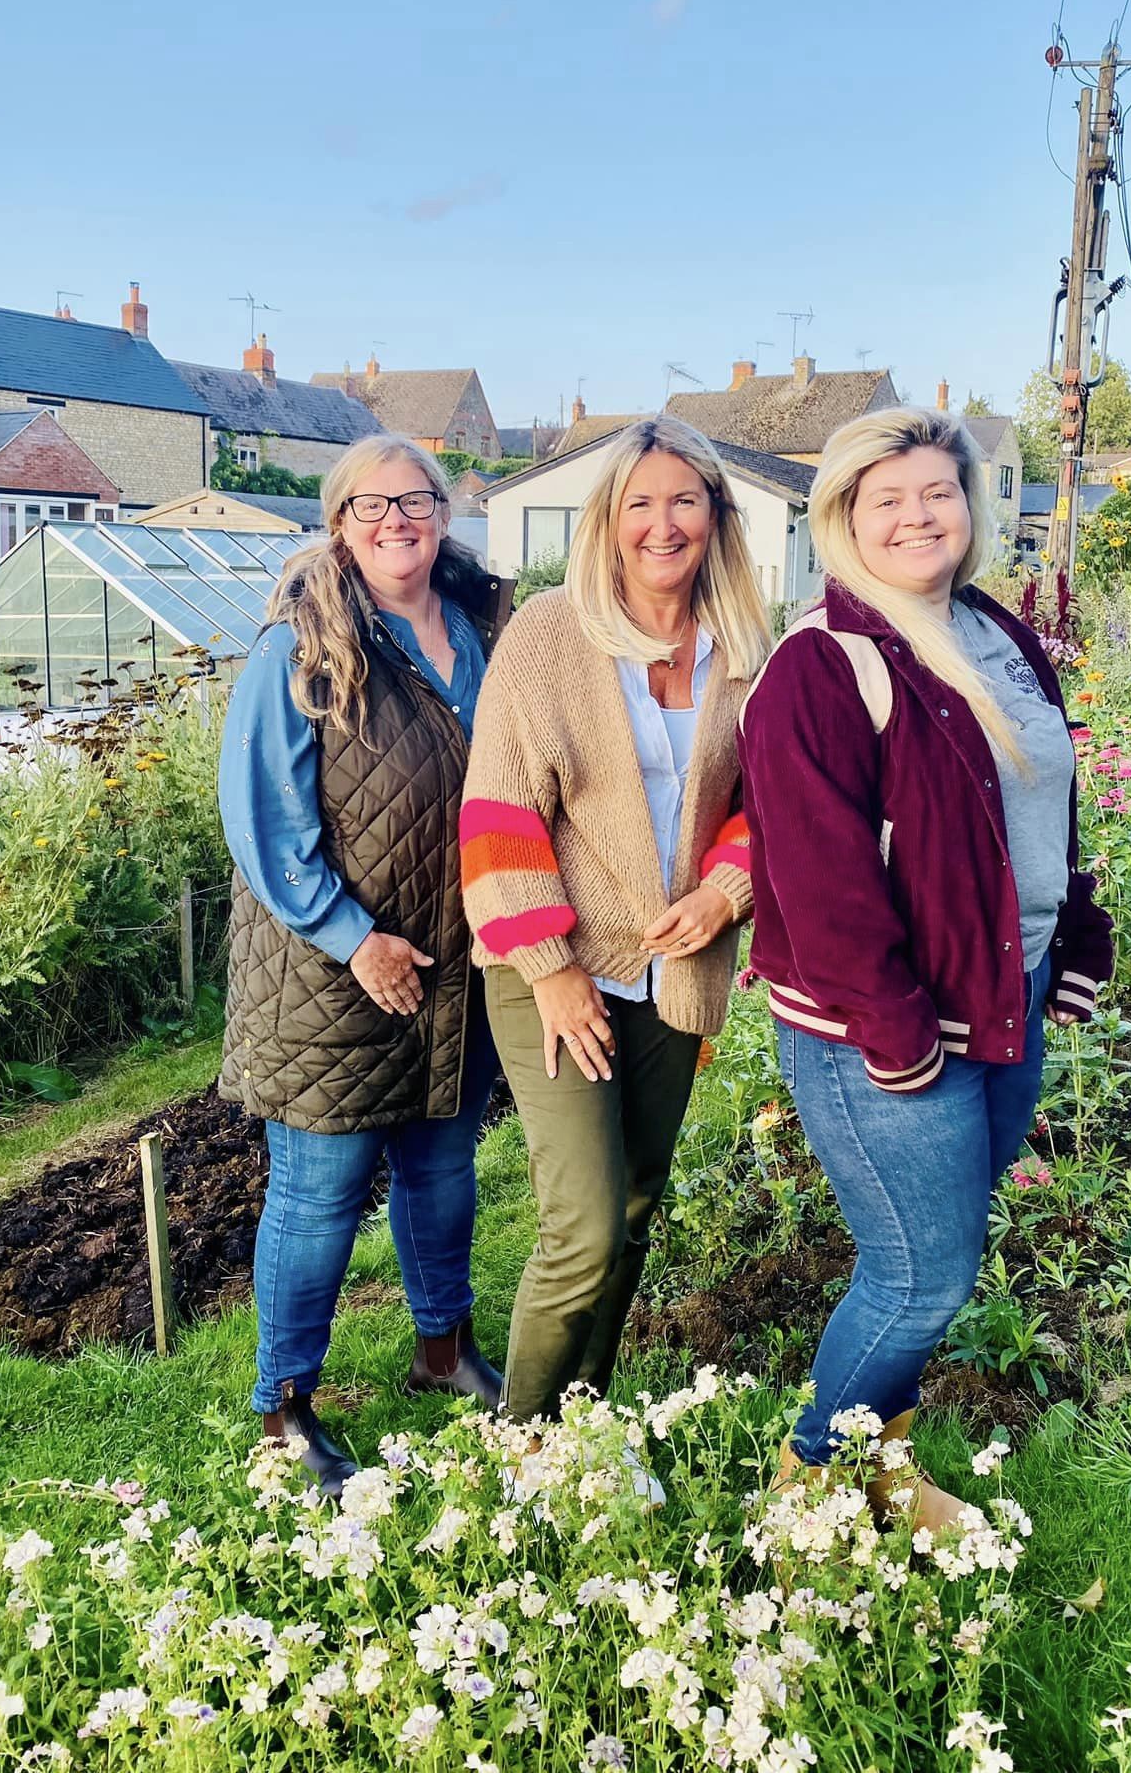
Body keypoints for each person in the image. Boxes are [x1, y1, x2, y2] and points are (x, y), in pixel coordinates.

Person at [738, 405, 1114, 1524]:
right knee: (920, 1274)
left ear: (972, 504)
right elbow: (819, 876)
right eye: (885, 498)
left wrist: (1077, 925)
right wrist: (894, 1028)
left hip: (1006, 992)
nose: (916, 515)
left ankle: (882, 1464)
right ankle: (808, 1489)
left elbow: (1040, 800)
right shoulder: (823, 665)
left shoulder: (994, 629)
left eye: (937, 492)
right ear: (845, 516)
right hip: (889, 1029)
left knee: (939, 1252)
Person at [459, 417, 771, 1424]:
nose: (661, 523)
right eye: (639, 501)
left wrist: (725, 891)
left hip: (674, 966)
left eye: (684, 498)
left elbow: (766, 804)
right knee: (585, 1225)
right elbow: (499, 809)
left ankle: (582, 1428)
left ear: (716, 514)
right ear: (609, 518)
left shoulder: (748, 647)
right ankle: (517, 1446)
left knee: (636, 1210)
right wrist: (551, 967)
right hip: (555, 960)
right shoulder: (552, 633)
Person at [218, 433, 512, 1496]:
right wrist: (355, 938)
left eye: (418, 498)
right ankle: (283, 1407)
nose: (398, 518)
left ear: (445, 510)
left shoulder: (486, 623)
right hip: (329, 968)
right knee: (321, 1189)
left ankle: (442, 1347)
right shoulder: (301, 641)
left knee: (443, 1167)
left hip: (455, 960)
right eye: (371, 503)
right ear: (338, 522)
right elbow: (265, 821)